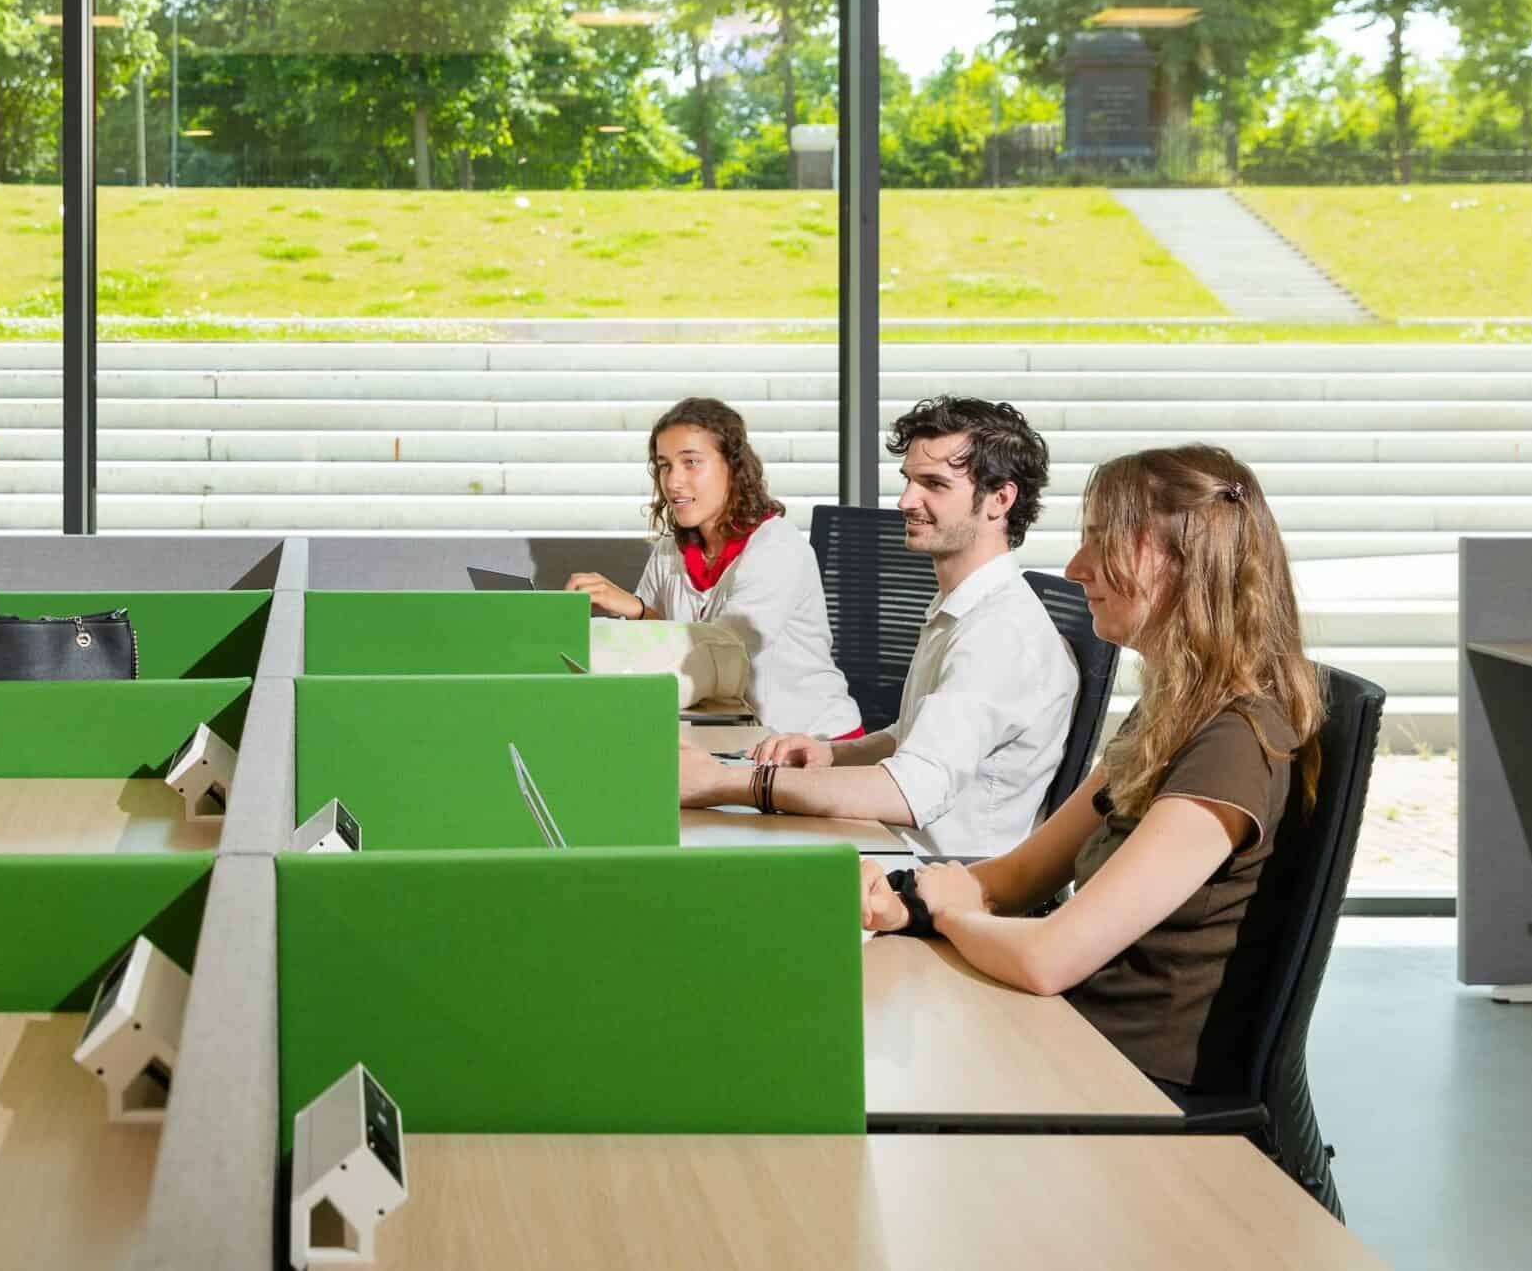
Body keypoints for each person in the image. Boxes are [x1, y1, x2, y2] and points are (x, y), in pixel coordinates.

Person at [855, 446, 1325, 1093]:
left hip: (1120, 1080)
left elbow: (1049, 958)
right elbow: (1019, 876)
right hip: (1063, 1035)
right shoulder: (1170, 713)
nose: (1076, 569)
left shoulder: (1234, 743)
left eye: (1103, 542)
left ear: (1182, 560)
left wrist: (945, 914)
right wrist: (905, 897)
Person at [677, 395, 1076, 858]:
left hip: (925, 873)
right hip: (882, 846)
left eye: (934, 484)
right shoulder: (964, 607)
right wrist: (834, 754)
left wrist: (724, 783)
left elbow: (911, 791)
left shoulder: (999, 636)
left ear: (1000, 500)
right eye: (908, 480)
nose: (906, 501)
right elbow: (915, 734)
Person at [564, 397, 858, 739]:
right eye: (664, 465)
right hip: (725, 734)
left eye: (690, 462)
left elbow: (722, 657)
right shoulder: (671, 550)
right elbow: (661, 647)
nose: (672, 482)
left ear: (733, 466)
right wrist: (638, 611)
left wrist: (621, 633)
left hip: (809, 743)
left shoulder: (777, 547)